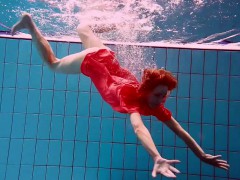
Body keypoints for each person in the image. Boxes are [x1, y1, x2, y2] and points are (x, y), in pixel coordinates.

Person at [11, 13, 229, 178]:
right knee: (54, 64)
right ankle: (30, 24)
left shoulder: (155, 105)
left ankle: (121, 23)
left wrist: (201, 155)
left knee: (83, 27)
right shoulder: (133, 101)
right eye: (159, 95)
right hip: (93, 62)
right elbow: (138, 127)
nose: (162, 100)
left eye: (164, 96)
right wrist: (156, 156)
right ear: (146, 92)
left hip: (106, 56)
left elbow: (179, 130)